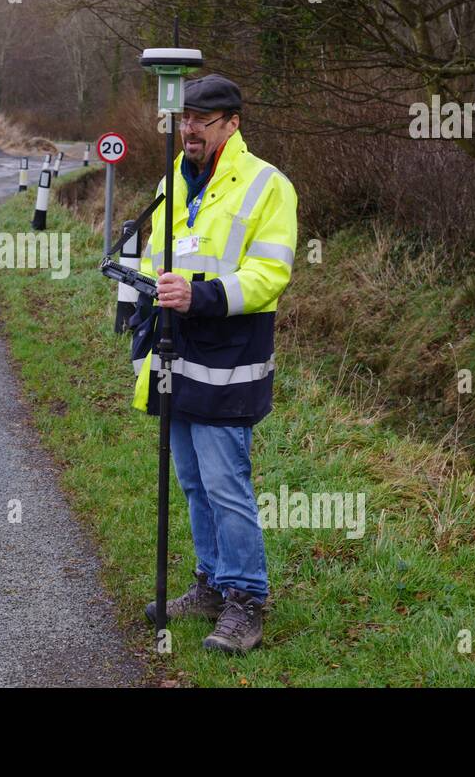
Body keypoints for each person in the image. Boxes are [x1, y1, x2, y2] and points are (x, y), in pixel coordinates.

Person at [129, 74, 297, 654]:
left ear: (232, 122)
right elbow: (156, 256)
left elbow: (270, 274)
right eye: (183, 120)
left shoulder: (268, 184)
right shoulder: (171, 180)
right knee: (193, 480)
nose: (188, 130)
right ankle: (210, 583)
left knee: (227, 482)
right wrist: (144, 299)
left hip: (230, 355)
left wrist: (201, 296)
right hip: (175, 350)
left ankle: (247, 600)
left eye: (200, 120)